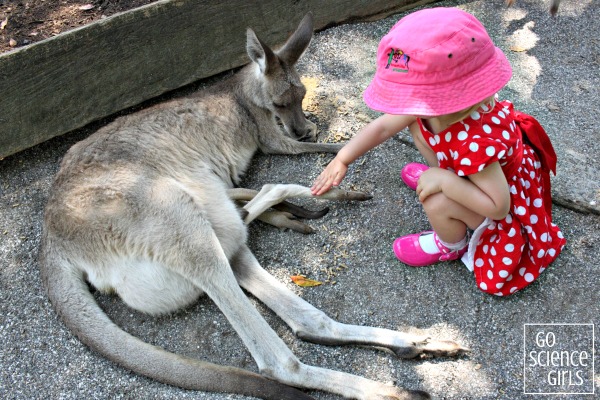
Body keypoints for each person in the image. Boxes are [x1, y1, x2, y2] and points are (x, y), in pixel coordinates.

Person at [310, 7, 566, 296]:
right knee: (417, 127)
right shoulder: (442, 109)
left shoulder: (476, 142)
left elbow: (499, 207)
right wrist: (343, 158)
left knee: (436, 202)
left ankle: (451, 243)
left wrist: (443, 183)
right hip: (475, 175)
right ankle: (446, 177)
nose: (405, 104)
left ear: (447, 98)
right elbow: (383, 127)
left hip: (499, 199)